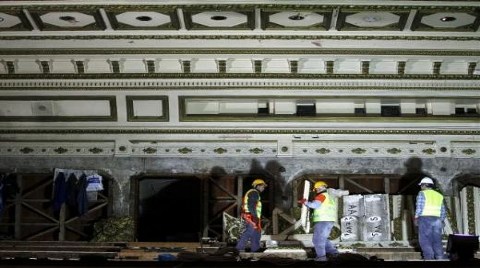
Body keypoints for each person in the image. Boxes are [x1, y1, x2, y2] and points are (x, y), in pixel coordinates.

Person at [298, 180, 339, 261]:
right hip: (329, 220)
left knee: (317, 239)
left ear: (321, 187)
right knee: (323, 238)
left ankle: (321, 258)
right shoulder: (330, 196)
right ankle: (334, 253)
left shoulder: (321, 196)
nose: (317, 190)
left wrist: (305, 202)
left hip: (322, 220)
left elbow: (315, 205)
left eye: (317, 189)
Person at [414, 177, 446, 260]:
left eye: (421, 185)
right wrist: (441, 220)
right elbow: (443, 210)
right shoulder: (439, 195)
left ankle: (429, 258)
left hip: (425, 218)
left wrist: (416, 217)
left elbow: (419, 207)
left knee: (424, 240)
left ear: (424, 185)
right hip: (437, 220)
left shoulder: (422, 193)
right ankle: (440, 258)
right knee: (437, 240)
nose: (421, 187)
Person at [236, 178, 267, 252]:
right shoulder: (254, 193)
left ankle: (255, 249)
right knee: (250, 231)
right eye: (262, 186)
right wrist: (255, 217)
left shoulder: (255, 193)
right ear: (257, 186)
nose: (263, 188)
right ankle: (238, 248)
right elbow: (251, 205)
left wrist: (259, 217)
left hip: (253, 215)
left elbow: (255, 207)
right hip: (250, 216)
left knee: (257, 232)